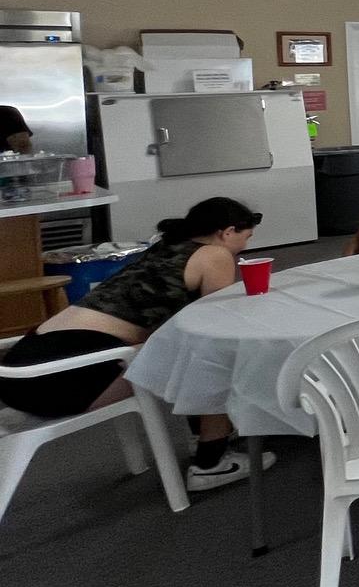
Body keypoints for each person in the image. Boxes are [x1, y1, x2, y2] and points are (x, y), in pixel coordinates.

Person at [0, 196, 271, 490]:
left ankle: (207, 433)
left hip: (20, 369)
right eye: (246, 237)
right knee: (210, 355)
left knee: (182, 349)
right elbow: (218, 323)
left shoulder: (164, 248)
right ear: (227, 232)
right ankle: (211, 462)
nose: (245, 246)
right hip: (59, 379)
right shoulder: (215, 255)